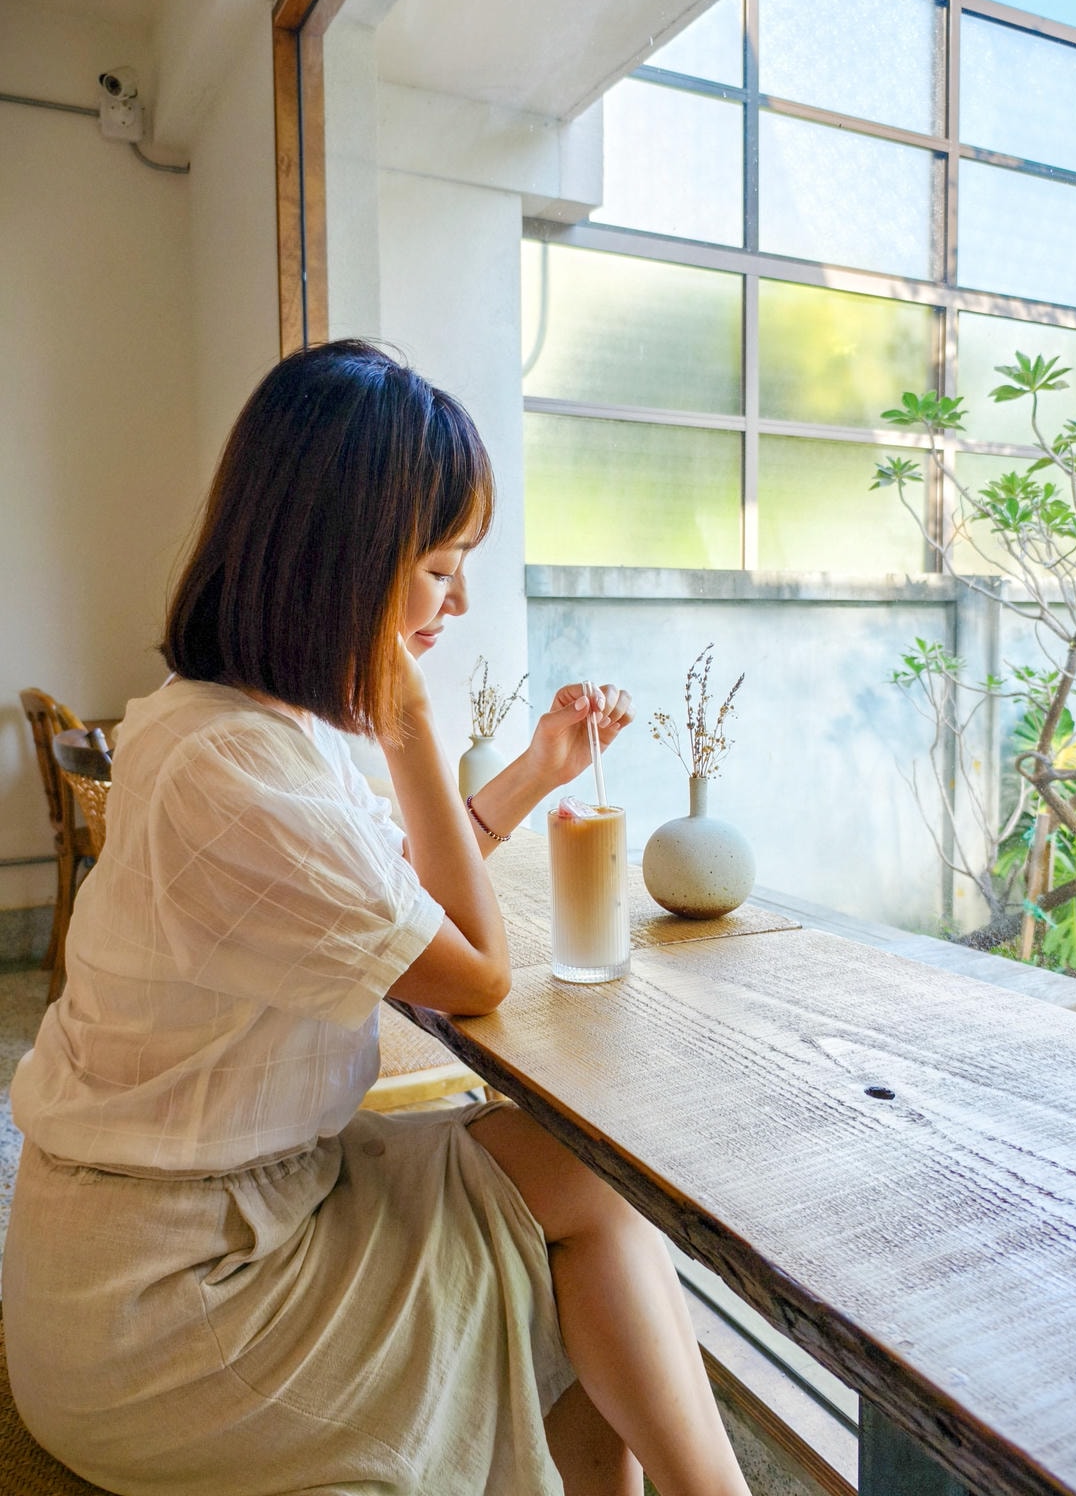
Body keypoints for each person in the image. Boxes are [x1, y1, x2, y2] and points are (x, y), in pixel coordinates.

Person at [4, 340, 752, 1496]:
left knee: (594, 1185)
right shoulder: (239, 773)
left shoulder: (221, 722)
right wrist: (408, 720)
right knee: (570, 1246)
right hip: (171, 1309)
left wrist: (532, 772)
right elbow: (475, 971)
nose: (460, 599)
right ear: (344, 560)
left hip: (202, 1215)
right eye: (443, 566)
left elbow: (389, 887)